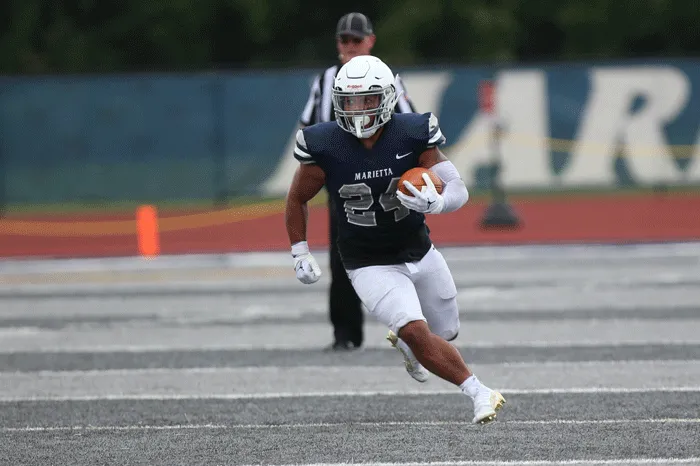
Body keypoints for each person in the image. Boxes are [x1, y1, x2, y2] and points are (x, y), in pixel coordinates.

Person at [284, 55, 506, 424]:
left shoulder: (412, 131)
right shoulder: (323, 143)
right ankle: (479, 392)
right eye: (349, 101)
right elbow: (297, 198)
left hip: (419, 248)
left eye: (367, 100)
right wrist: (299, 250)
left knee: (445, 331)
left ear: (387, 97)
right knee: (417, 331)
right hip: (367, 261)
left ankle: (407, 342)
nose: (357, 110)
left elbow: (458, 190)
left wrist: (437, 203)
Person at [299, 12, 416, 352]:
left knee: (404, 249)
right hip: (345, 185)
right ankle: (346, 333)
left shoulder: (387, 76)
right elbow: (309, 128)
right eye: (344, 40)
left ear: (370, 41)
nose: (350, 46)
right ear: (338, 44)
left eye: (356, 39)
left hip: (386, 182)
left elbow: (409, 124)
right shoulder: (326, 79)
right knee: (343, 256)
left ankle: (414, 329)